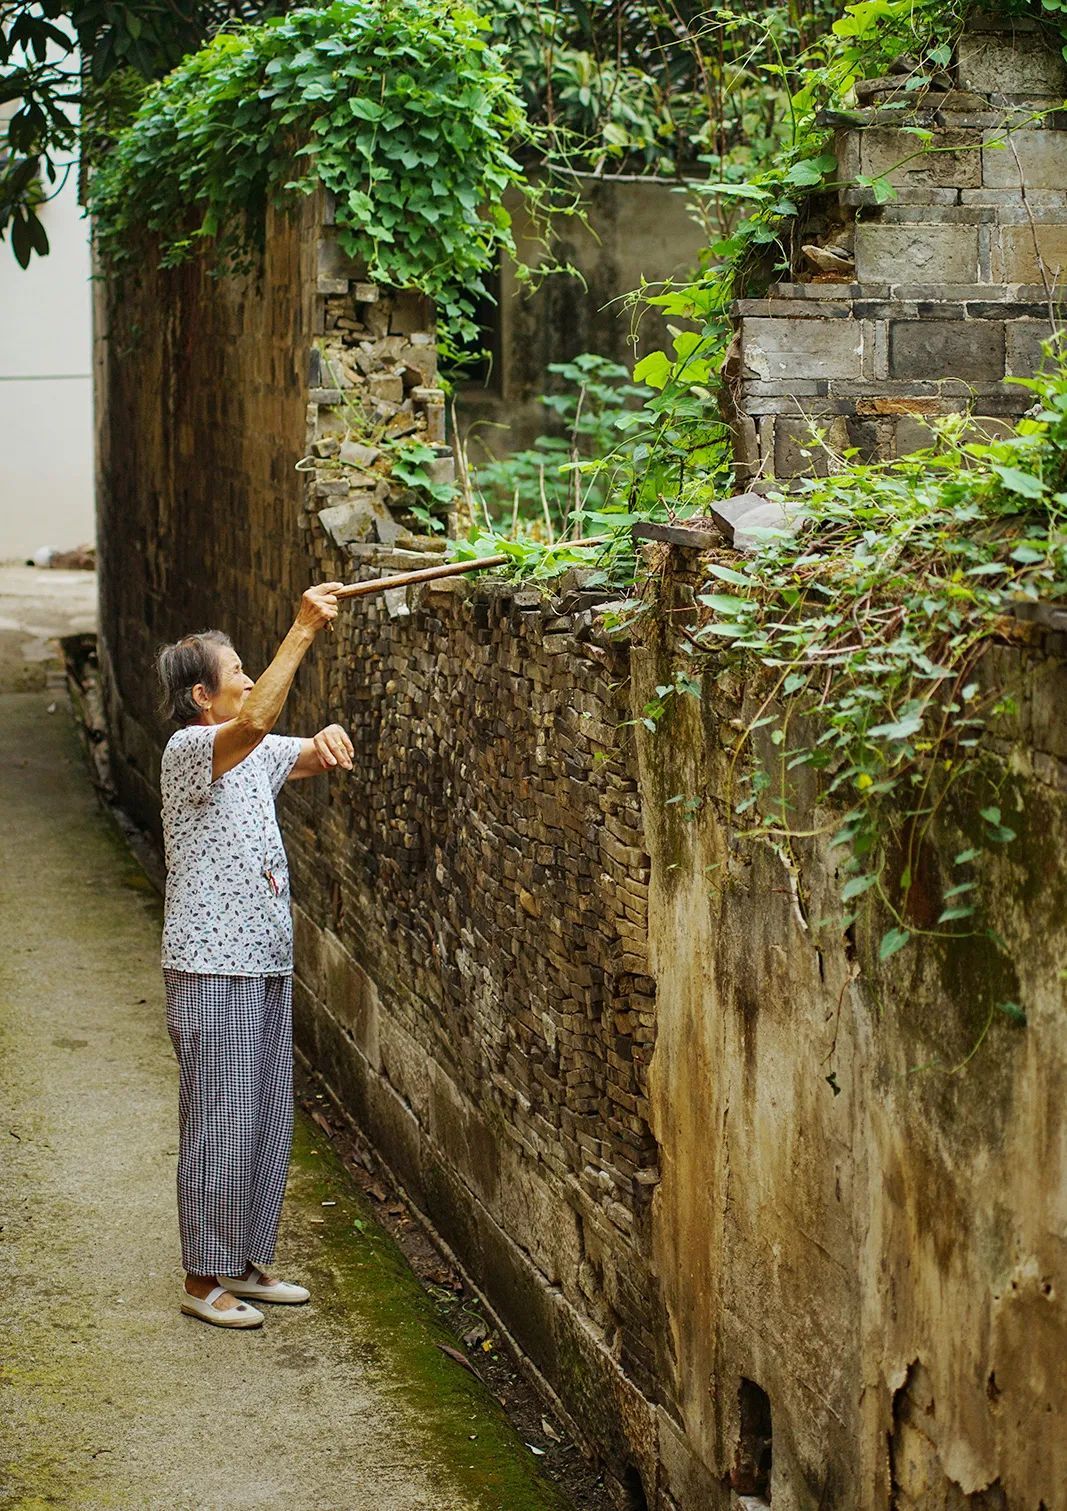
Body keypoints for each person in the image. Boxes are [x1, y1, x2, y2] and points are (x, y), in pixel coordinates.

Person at [155, 583, 354, 1329]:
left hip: (265, 961)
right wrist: (301, 629)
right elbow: (264, 713)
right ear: (204, 696)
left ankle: (240, 1261)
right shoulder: (189, 751)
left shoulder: (252, 752)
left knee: (265, 1117)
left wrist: (328, 736)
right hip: (213, 967)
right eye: (233, 671)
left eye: (247, 668)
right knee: (219, 1118)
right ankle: (202, 1277)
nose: (245, 680)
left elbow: (299, 748)